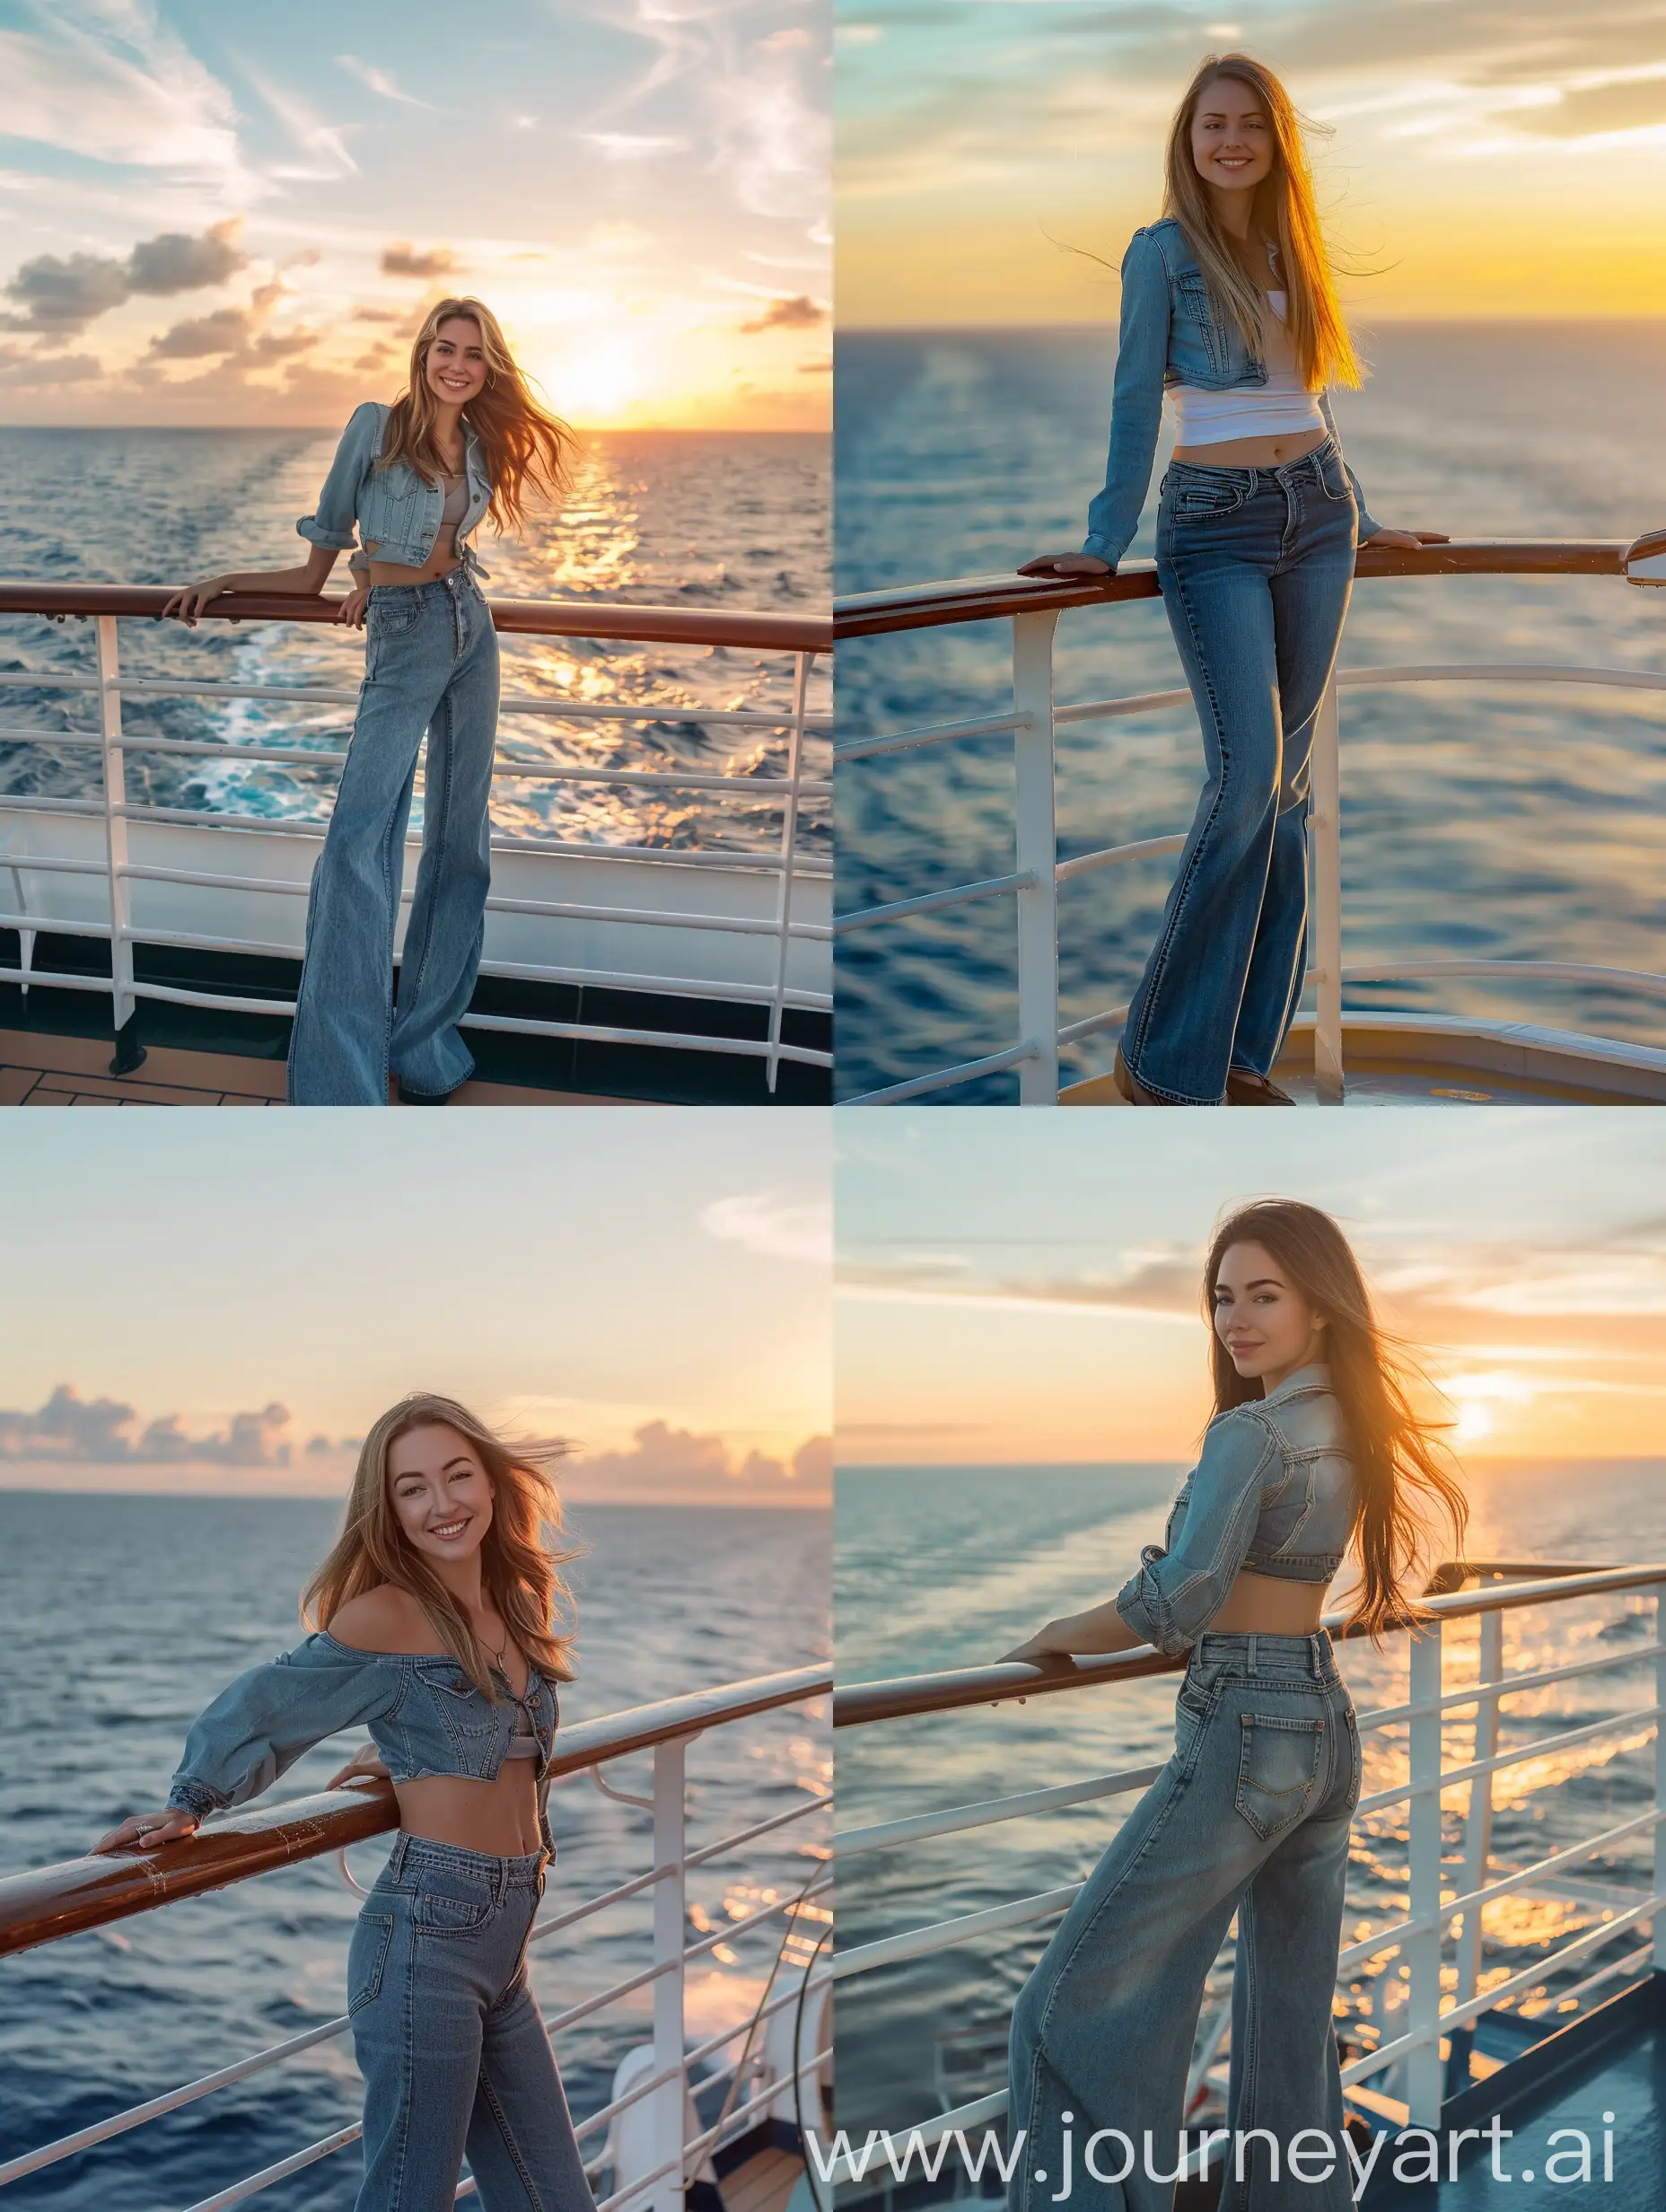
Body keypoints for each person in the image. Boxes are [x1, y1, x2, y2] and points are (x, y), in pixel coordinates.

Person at [1000, 1200, 1468, 2210]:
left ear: (1321, 1307)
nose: (1235, 1320)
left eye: (1264, 1295)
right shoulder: (1350, 1423)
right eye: (1221, 1298)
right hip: (1322, 1723)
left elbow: (1178, 1601)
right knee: (1285, 2033)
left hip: (1245, 1724)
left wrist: (1052, 1634)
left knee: (1062, 2011)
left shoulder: (1250, 1432)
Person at [1019, 57, 1448, 1105]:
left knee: (1287, 795)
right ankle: (1164, 1057)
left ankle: (1244, 1057)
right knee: (1245, 773)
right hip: (1211, 525)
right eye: (1213, 123)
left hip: (1318, 516)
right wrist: (1101, 537)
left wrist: (1365, 512)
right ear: (1188, 138)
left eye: (1250, 124)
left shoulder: (1295, 250)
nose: (1230, 141)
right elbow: (1131, 400)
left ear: (1274, 140)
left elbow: (1308, 400)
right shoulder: (1160, 254)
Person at [95, 1392, 597, 2212]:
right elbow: (270, 1701)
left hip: (505, 1946)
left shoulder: (513, 1602)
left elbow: (496, 1736)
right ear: (388, 1510)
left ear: (495, 1484)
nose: (442, 1504)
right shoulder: (388, 1613)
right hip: (427, 1945)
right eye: (413, 1488)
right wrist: (193, 1801)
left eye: (458, 1475)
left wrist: (409, 1752)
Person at [165, 301, 572, 1106]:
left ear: (490, 368)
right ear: (423, 353)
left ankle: (423, 1049)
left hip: (470, 626)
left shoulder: (481, 438)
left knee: (464, 843)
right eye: (446, 349)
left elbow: (436, 542)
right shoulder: (376, 427)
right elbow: (320, 560)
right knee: (357, 847)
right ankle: (340, 1083)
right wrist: (230, 582)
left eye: (475, 355)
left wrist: (372, 573)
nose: (458, 365)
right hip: (406, 636)